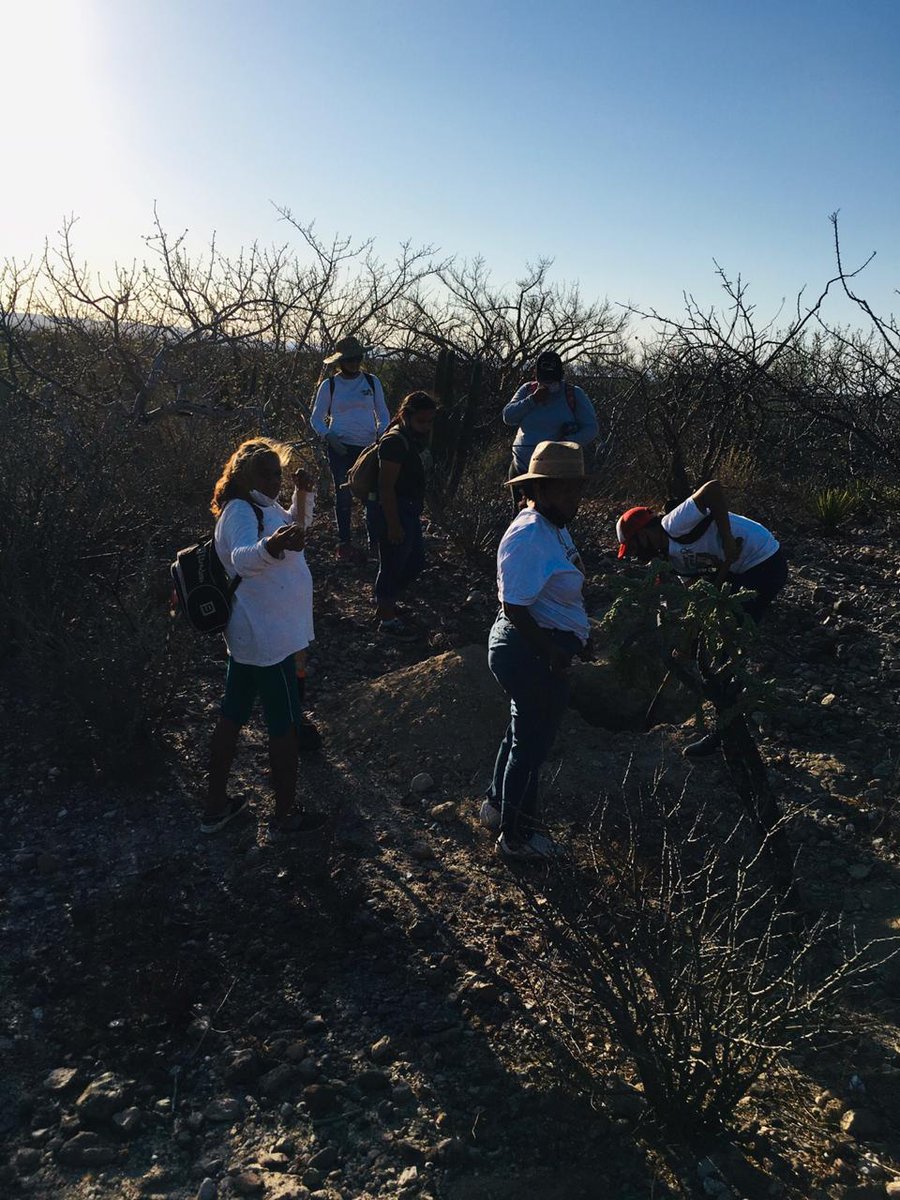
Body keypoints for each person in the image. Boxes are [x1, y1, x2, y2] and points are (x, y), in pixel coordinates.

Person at [201, 438, 322, 839]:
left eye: (278, 474)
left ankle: (215, 806)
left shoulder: (262, 505)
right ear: (244, 474)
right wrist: (272, 545)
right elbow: (242, 558)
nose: (275, 481)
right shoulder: (239, 510)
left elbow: (297, 531)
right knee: (283, 724)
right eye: (267, 474)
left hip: (260, 634)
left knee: (232, 714)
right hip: (268, 639)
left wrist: (303, 494)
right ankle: (285, 814)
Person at [615, 478, 788, 757]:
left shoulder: (673, 524)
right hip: (737, 572)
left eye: (635, 547)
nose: (637, 556)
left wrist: (728, 538)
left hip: (763, 562)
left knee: (728, 647)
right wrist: (687, 641)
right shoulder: (674, 561)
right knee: (715, 639)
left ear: (644, 532)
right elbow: (700, 600)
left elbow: (713, 489)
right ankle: (725, 715)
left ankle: (723, 729)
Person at [483, 441, 594, 862]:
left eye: (577, 489)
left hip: (539, 646)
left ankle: (497, 807)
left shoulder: (554, 524)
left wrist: (578, 634)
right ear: (541, 490)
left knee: (519, 736)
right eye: (566, 490)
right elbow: (514, 604)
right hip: (528, 650)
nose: (574, 498)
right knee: (530, 748)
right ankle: (516, 837)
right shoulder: (530, 533)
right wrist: (551, 650)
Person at [309, 335, 390, 565]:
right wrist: (329, 436)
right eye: (350, 359)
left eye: (358, 358)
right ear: (340, 361)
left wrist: (381, 434)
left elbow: (383, 413)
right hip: (340, 447)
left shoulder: (372, 382)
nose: (355, 363)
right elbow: (316, 417)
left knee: (372, 496)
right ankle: (344, 542)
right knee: (343, 495)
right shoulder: (330, 385)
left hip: (368, 448)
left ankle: (374, 542)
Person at [372, 391, 438, 640]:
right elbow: (385, 487)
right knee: (392, 561)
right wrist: (393, 524)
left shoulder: (413, 439)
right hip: (394, 509)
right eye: (422, 421)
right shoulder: (394, 442)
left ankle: (386, 602)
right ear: (406, 416)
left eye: (430, 421)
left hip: (409, 508)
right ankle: (386, 616)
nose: (427, 426)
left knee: (414, 561)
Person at [502, 351, 600, 478]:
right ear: (535, 375)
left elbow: (591, 428)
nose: (548, 385)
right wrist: (532, 400)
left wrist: (565, 443)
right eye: (544, 380)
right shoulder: (526, 390)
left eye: (552, 381)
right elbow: (508, 417)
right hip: (521, 468)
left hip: (557, 473)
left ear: (561, 377)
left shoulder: (573, 394)